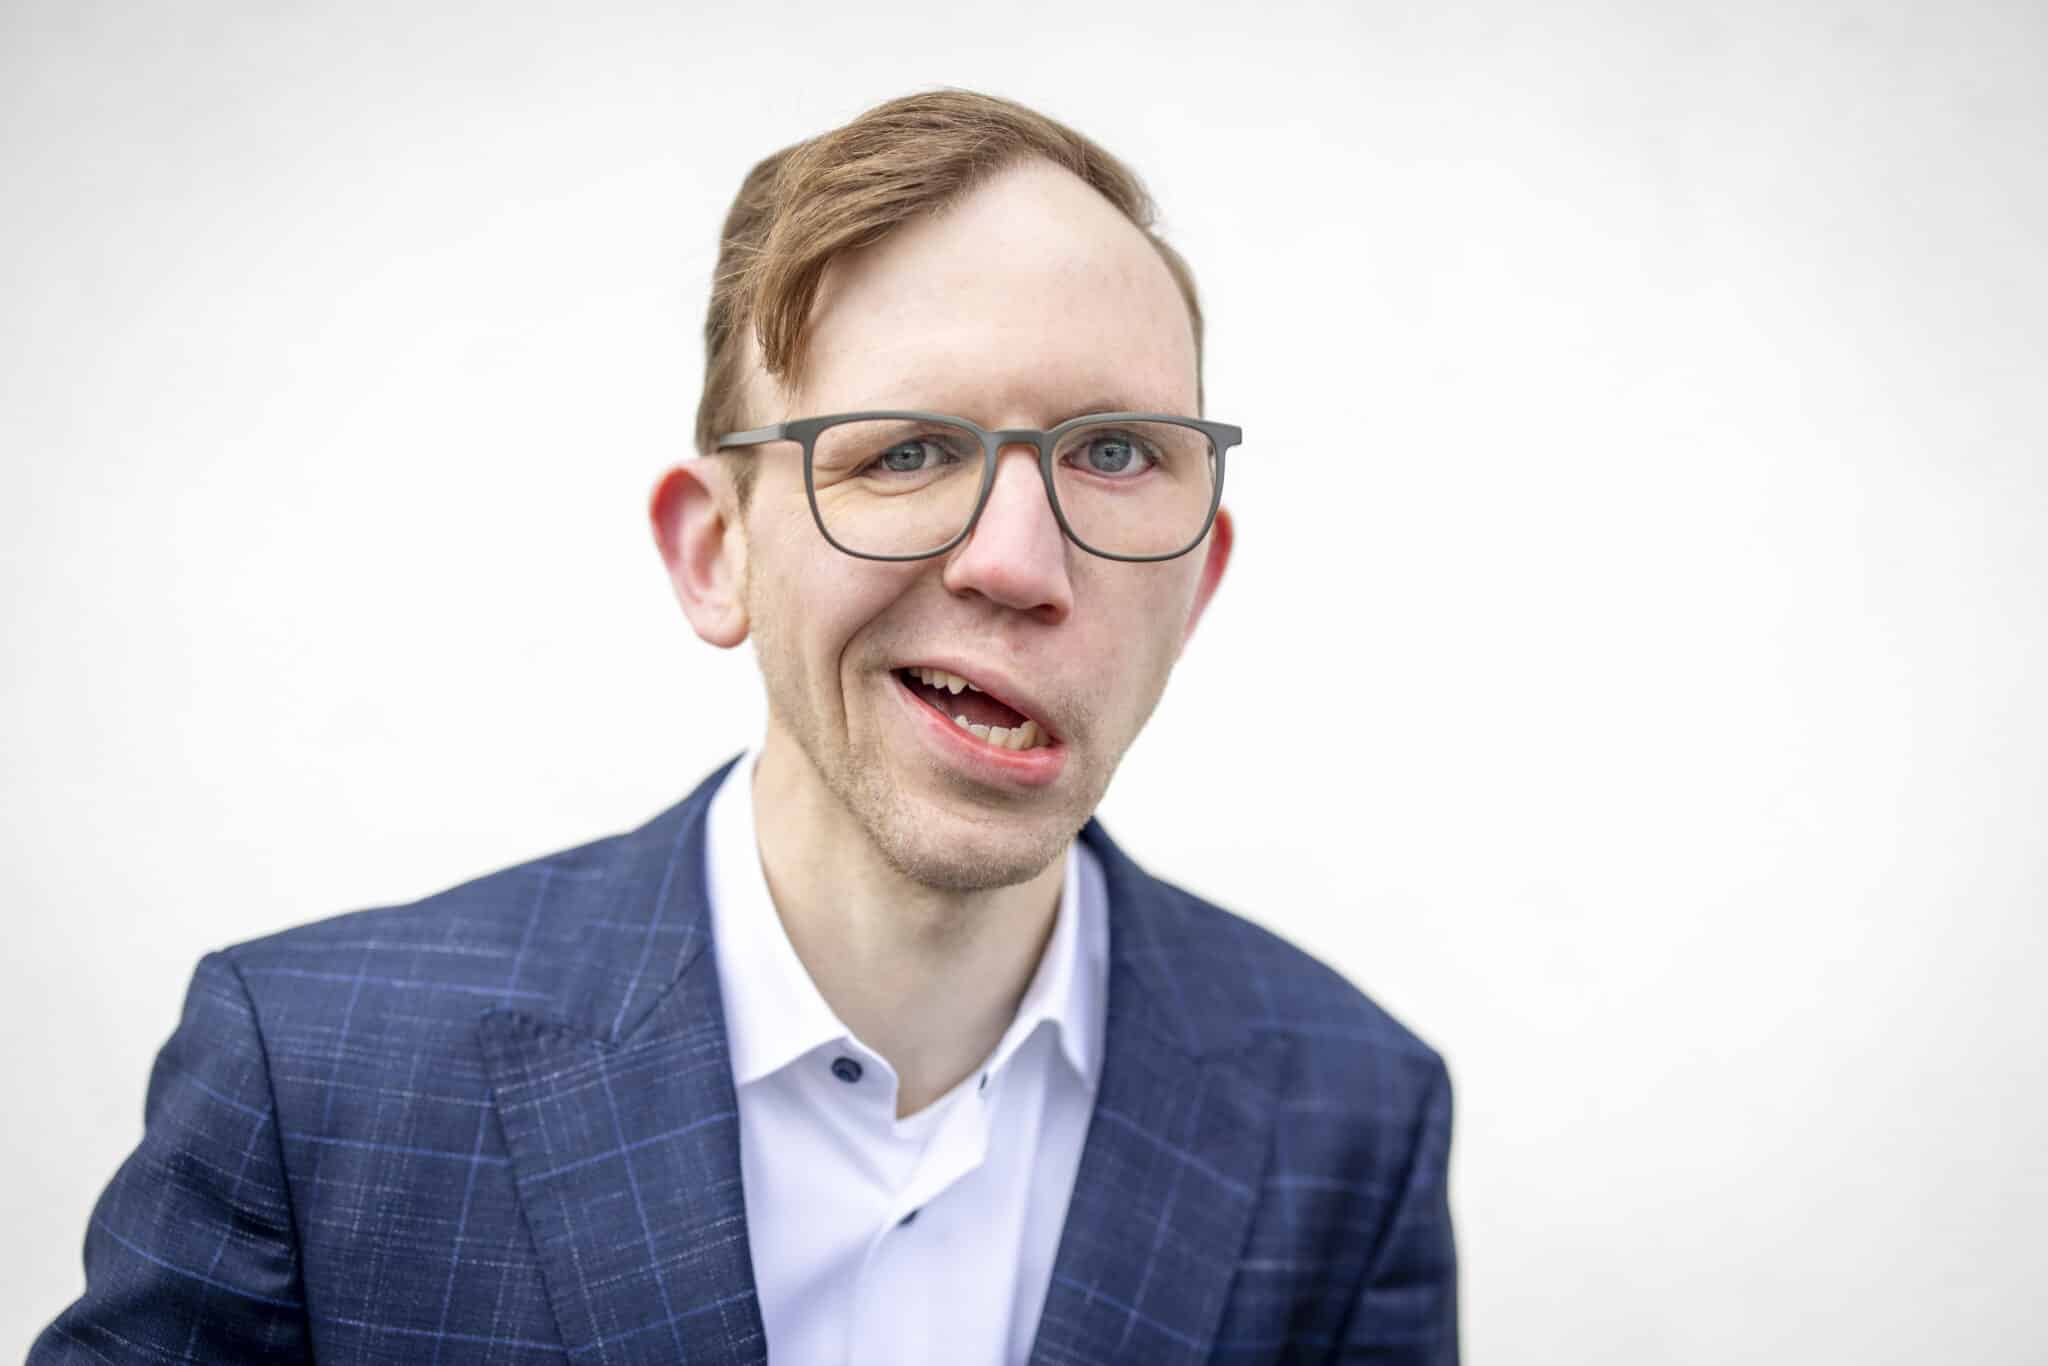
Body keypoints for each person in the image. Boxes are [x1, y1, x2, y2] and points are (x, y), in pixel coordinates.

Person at [32, 90, 1457, 1364]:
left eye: (1116, 452)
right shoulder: (311, 1081)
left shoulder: (1358, 1118)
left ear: (1197, 579)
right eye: (907, 449)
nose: (1020, 562)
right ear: (716, 552)